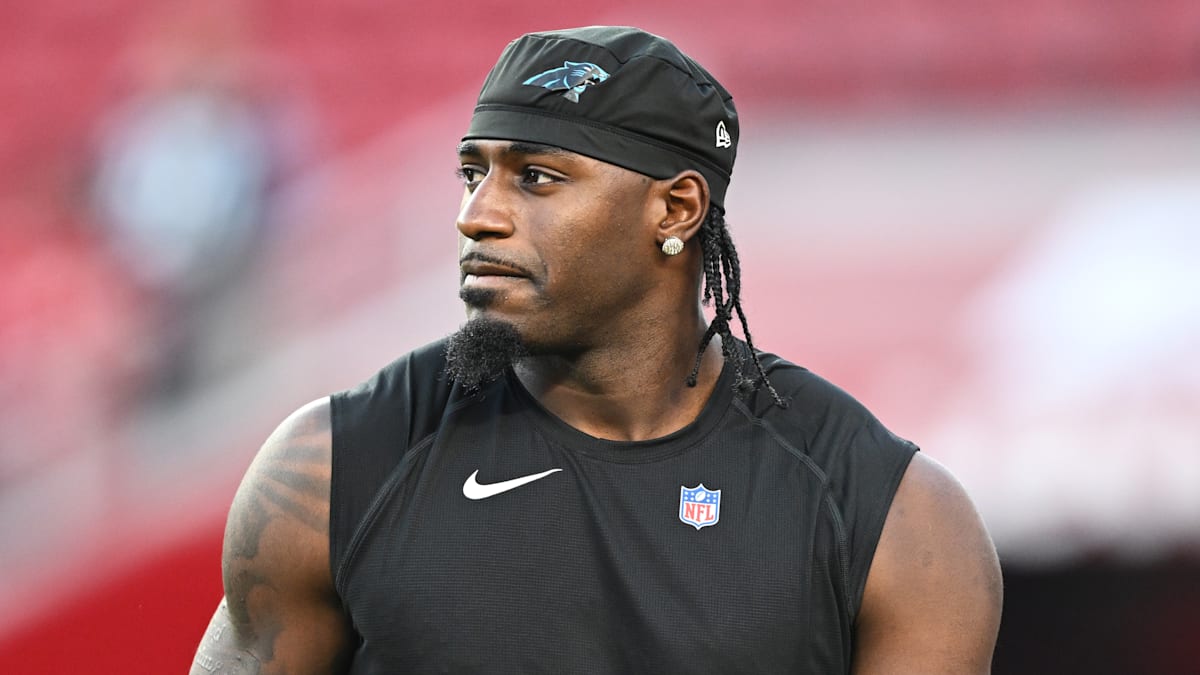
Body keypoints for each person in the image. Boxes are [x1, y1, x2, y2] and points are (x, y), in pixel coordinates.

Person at [191, 26, 1002, 674]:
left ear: (676, 210)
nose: (477, 215)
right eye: (473, 173)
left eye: (536, 178)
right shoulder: (332, 470)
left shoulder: (892, 518)